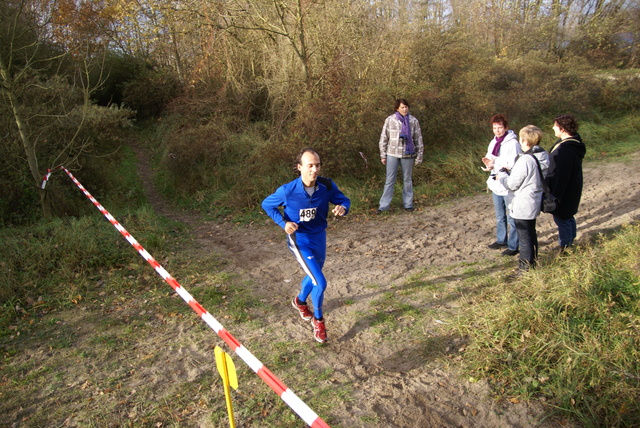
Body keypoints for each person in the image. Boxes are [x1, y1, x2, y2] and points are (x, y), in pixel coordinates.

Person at [261, 148, 351, 343]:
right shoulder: (288, 190)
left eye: (317, 165)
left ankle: (299, 301)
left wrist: (343, 207)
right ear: (299, 167)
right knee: (320, 282)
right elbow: (267, 204)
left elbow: (344, 199)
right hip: (300, 240)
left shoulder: (326, 186)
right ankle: (318, 321)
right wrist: (283, 223)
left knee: (313, 275)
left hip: (319, 237)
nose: (314, 170)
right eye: (310, 165)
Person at [498, 125, 549, 275]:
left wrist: (502, 177)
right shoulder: (542, 155)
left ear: (525, 140)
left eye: (521, 138)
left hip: (523, 203)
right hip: (533, 200)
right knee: (531, 233)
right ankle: (533, 262)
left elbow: (513, 184)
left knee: (525, 238)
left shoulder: (526, 159)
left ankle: (524, 269)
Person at [482, 114, 522, 256]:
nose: (497, 130)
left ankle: (513, 245)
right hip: (496, 182)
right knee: (500, 215)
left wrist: (498, 166)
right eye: (494, 128)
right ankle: (501, 239)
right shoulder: (494, 142)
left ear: (506, 127)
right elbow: (491, 157)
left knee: (512, 216)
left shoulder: (513, 143)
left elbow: (514, 164)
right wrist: (488, 164)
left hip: (507, 183)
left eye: (500, 127)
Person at [545, 114, 586, 251]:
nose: (553, 128)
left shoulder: (566, 149)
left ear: (562, 129)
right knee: (568, 217)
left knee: (562, 218)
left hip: (564, 190)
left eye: (555, 126)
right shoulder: (572, 143)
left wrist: (555, 196)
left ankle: (566, 246)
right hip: (570, 187)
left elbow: (562, 175)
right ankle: (570, 241)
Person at [377, 98, 424, 213]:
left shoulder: (413, 121)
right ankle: (383, 206)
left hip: (408, 155)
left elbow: (418, 139)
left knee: (407, 179)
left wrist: (419, 156)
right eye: (402, 107)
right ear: (397, 108)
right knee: (390, 179)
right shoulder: (390, 120)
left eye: (406, 107)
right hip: (392, 153)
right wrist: (383, 155)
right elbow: (384, 138)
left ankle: (408, 204)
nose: (405, 109)